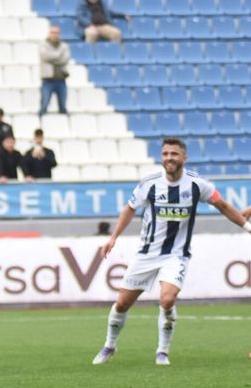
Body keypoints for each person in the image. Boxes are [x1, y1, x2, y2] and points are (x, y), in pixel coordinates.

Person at [92, 138, 251, 366]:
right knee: (122, 304)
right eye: (166, 154)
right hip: (146, 254)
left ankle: (162, 351)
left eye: (174, 154)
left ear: (184, 158)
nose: (169, 158)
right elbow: (129, 209)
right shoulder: (150, 183)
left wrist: (247, 227)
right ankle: (109, 346)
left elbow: (223, 205)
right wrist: (113, 237)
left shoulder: (198, 185)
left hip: (176, 255)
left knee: (167, 299)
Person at [39, 26, 70, 115]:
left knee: (63, 106)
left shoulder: (64, 45)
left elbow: (65, 59)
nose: (55, 35)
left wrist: (52, 58)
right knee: (44, 105)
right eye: (53, 32)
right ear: (49, 33)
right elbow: (45, 56)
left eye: (57, 33)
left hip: (61, 79)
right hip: (48, 79)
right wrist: (58, 55)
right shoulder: (43, 44)